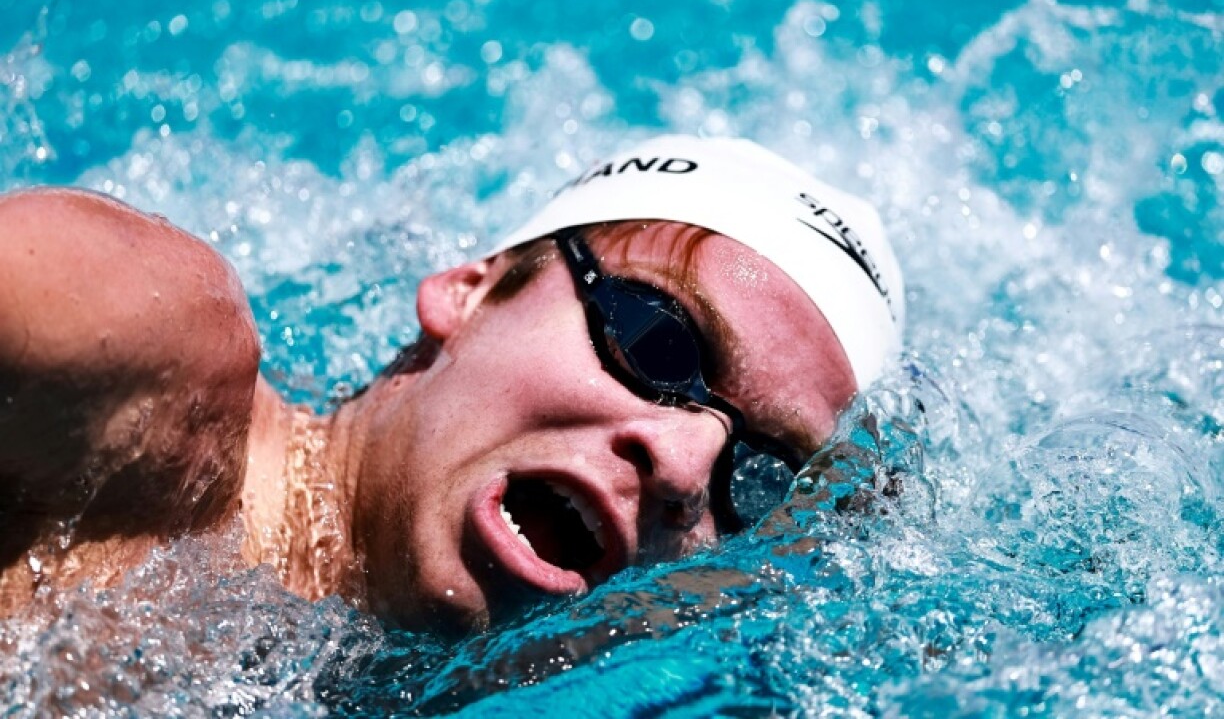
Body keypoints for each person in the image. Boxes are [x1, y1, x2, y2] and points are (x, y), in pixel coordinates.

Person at [0, 135, 904, 631]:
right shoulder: (156, 354)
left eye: (759, 472)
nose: (684, 460)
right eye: (658, 341)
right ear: (466, 292)